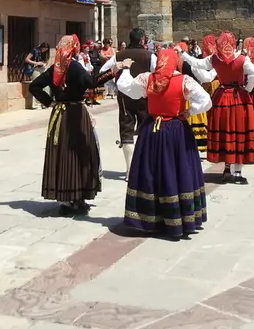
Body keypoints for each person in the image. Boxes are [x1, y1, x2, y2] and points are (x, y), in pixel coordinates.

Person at [115, 49, 211, 238]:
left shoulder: (147, 79)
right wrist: (190, 112)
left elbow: (125, 88)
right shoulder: (184, 80)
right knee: (177, 169)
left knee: (151, 171)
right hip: (176, 130)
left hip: (152, 130)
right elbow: (206, 101)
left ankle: (151, 217)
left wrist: (126, 69)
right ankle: (178, 218)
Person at [28, 35, 101, 215]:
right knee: (80, 153)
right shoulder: (75, 67)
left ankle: (66, 198)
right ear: (74, 48)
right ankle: (78, 197)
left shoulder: (55, 68)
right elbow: (91, 83)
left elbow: (34, 86)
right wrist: (111, 71)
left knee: (62, 152)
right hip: (76, 113)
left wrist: (49, 101)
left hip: (59, 114)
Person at [181, 32, 254, 184]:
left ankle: (227, 168)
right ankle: (237, 172)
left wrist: (183, 54)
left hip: (222, 96)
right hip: (238, 98)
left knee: (226, 132)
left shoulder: (215, 59)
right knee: (239, 132)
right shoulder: (242, 59)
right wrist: (247, 89)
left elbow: (197, 64)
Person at [96, 28, 157, 178]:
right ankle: (146, 167)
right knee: (146, 128)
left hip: (124, 97)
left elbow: (103, 71)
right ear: (142, 40)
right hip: (144, 96)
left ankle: (130, 170)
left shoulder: (118, 55)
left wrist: (114, 86)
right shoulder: (150, 56)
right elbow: (157, 74)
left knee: (126, 129)